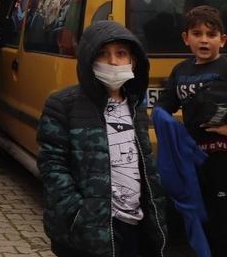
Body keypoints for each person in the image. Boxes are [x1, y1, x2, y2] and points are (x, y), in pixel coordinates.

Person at [37, 21, 167, 257]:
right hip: (89, 229)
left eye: (121, 53)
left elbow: (144, 163)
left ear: (133, 60)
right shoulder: (63, 104)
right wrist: (77, 213)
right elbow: (52, 165)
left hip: (133, 224)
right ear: (89, 60)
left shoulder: (135, 105)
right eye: (103, 54)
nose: (114, 62)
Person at [155, 6, 227, 254]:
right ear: (187, 38)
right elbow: (164, 107)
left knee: (221, 221)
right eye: (197, 33)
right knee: (195, 216)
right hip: (192, 162)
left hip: (222, 160)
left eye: (211, 34)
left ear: (222, 40)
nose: (204, 39)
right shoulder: (180, 71)